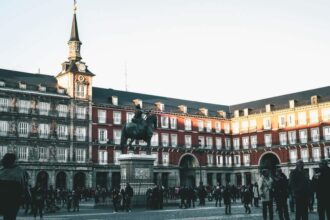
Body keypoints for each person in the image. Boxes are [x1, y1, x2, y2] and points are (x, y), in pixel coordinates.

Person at [0, 153, 27, 220]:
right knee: (11, 216)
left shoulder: (1, 171)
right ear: (13, 160)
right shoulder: (20, 170)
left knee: (6, 216)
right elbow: (23, 186)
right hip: (14, 198)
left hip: (3, 197)